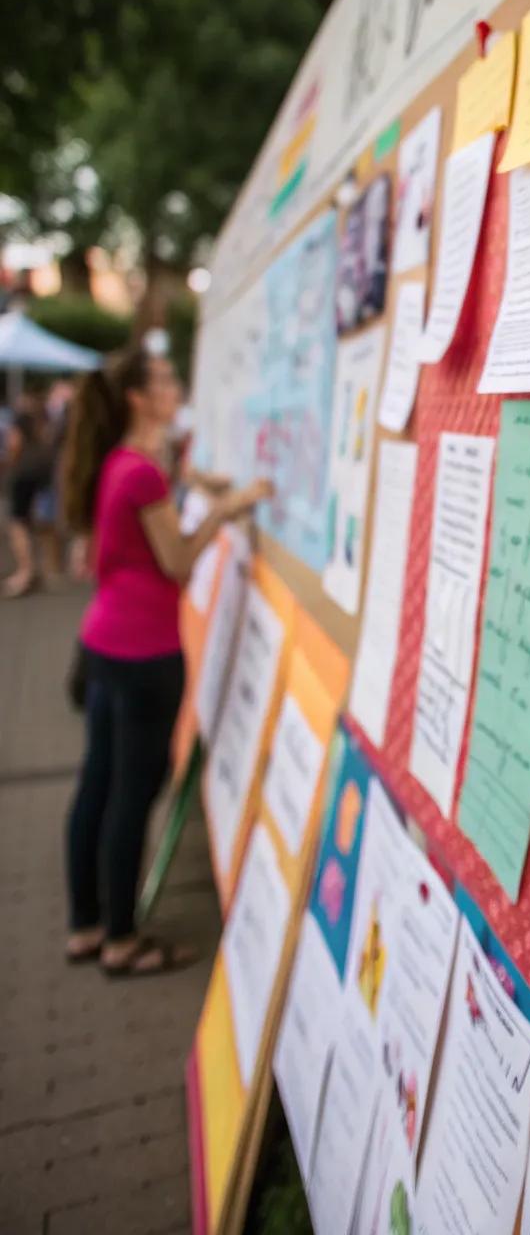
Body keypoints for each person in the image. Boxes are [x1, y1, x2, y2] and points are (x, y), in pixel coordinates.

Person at [61, 342, 271, 976]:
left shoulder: (121, 461)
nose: (176, 384)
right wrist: (229, 510)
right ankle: (123, 941)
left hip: (102, 646)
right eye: (163, 377)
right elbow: (177, 560)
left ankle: (86, 926)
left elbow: (156, 500)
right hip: (144, 655)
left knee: (96, 784)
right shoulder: (140, 472)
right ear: (138, 397)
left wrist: (199, 484)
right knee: (131, 795)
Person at [2, 391, 54, 598]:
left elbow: (14, 445)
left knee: (17, 524)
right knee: (28, 522)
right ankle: (33, 569)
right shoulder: (38, 422)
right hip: (37, 473)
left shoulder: (19, 420)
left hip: (22, 474)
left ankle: (25, 571)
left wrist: (9, 465)